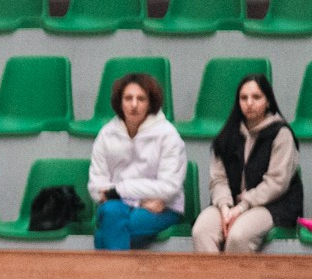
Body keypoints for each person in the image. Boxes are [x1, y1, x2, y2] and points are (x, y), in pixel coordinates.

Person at [193, 74, 301, 254]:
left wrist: (242, 206)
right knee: (201, 231)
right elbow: (218, 180)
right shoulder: (227, 135)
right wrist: (225, 207)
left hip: (272, 206)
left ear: (268, 101)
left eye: (256, 97)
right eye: (244, 98)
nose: (249, 103)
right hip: (229, 204)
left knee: (239, 235)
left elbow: (277, 183)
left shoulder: (281, 134)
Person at [88, 72, 184, 250]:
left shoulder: (168, 135)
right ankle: (123, 276)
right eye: (128, 98)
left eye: (141, 99)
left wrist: (119, 190)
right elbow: (96, 186)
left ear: (150, 103)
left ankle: (112, 277)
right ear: (120, 102)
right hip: (122, 205)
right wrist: (138, 200)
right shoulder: (106, 134)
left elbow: (169, 186)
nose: (134, 105)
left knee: (106, 233)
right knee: (111, 213)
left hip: (162, 207)